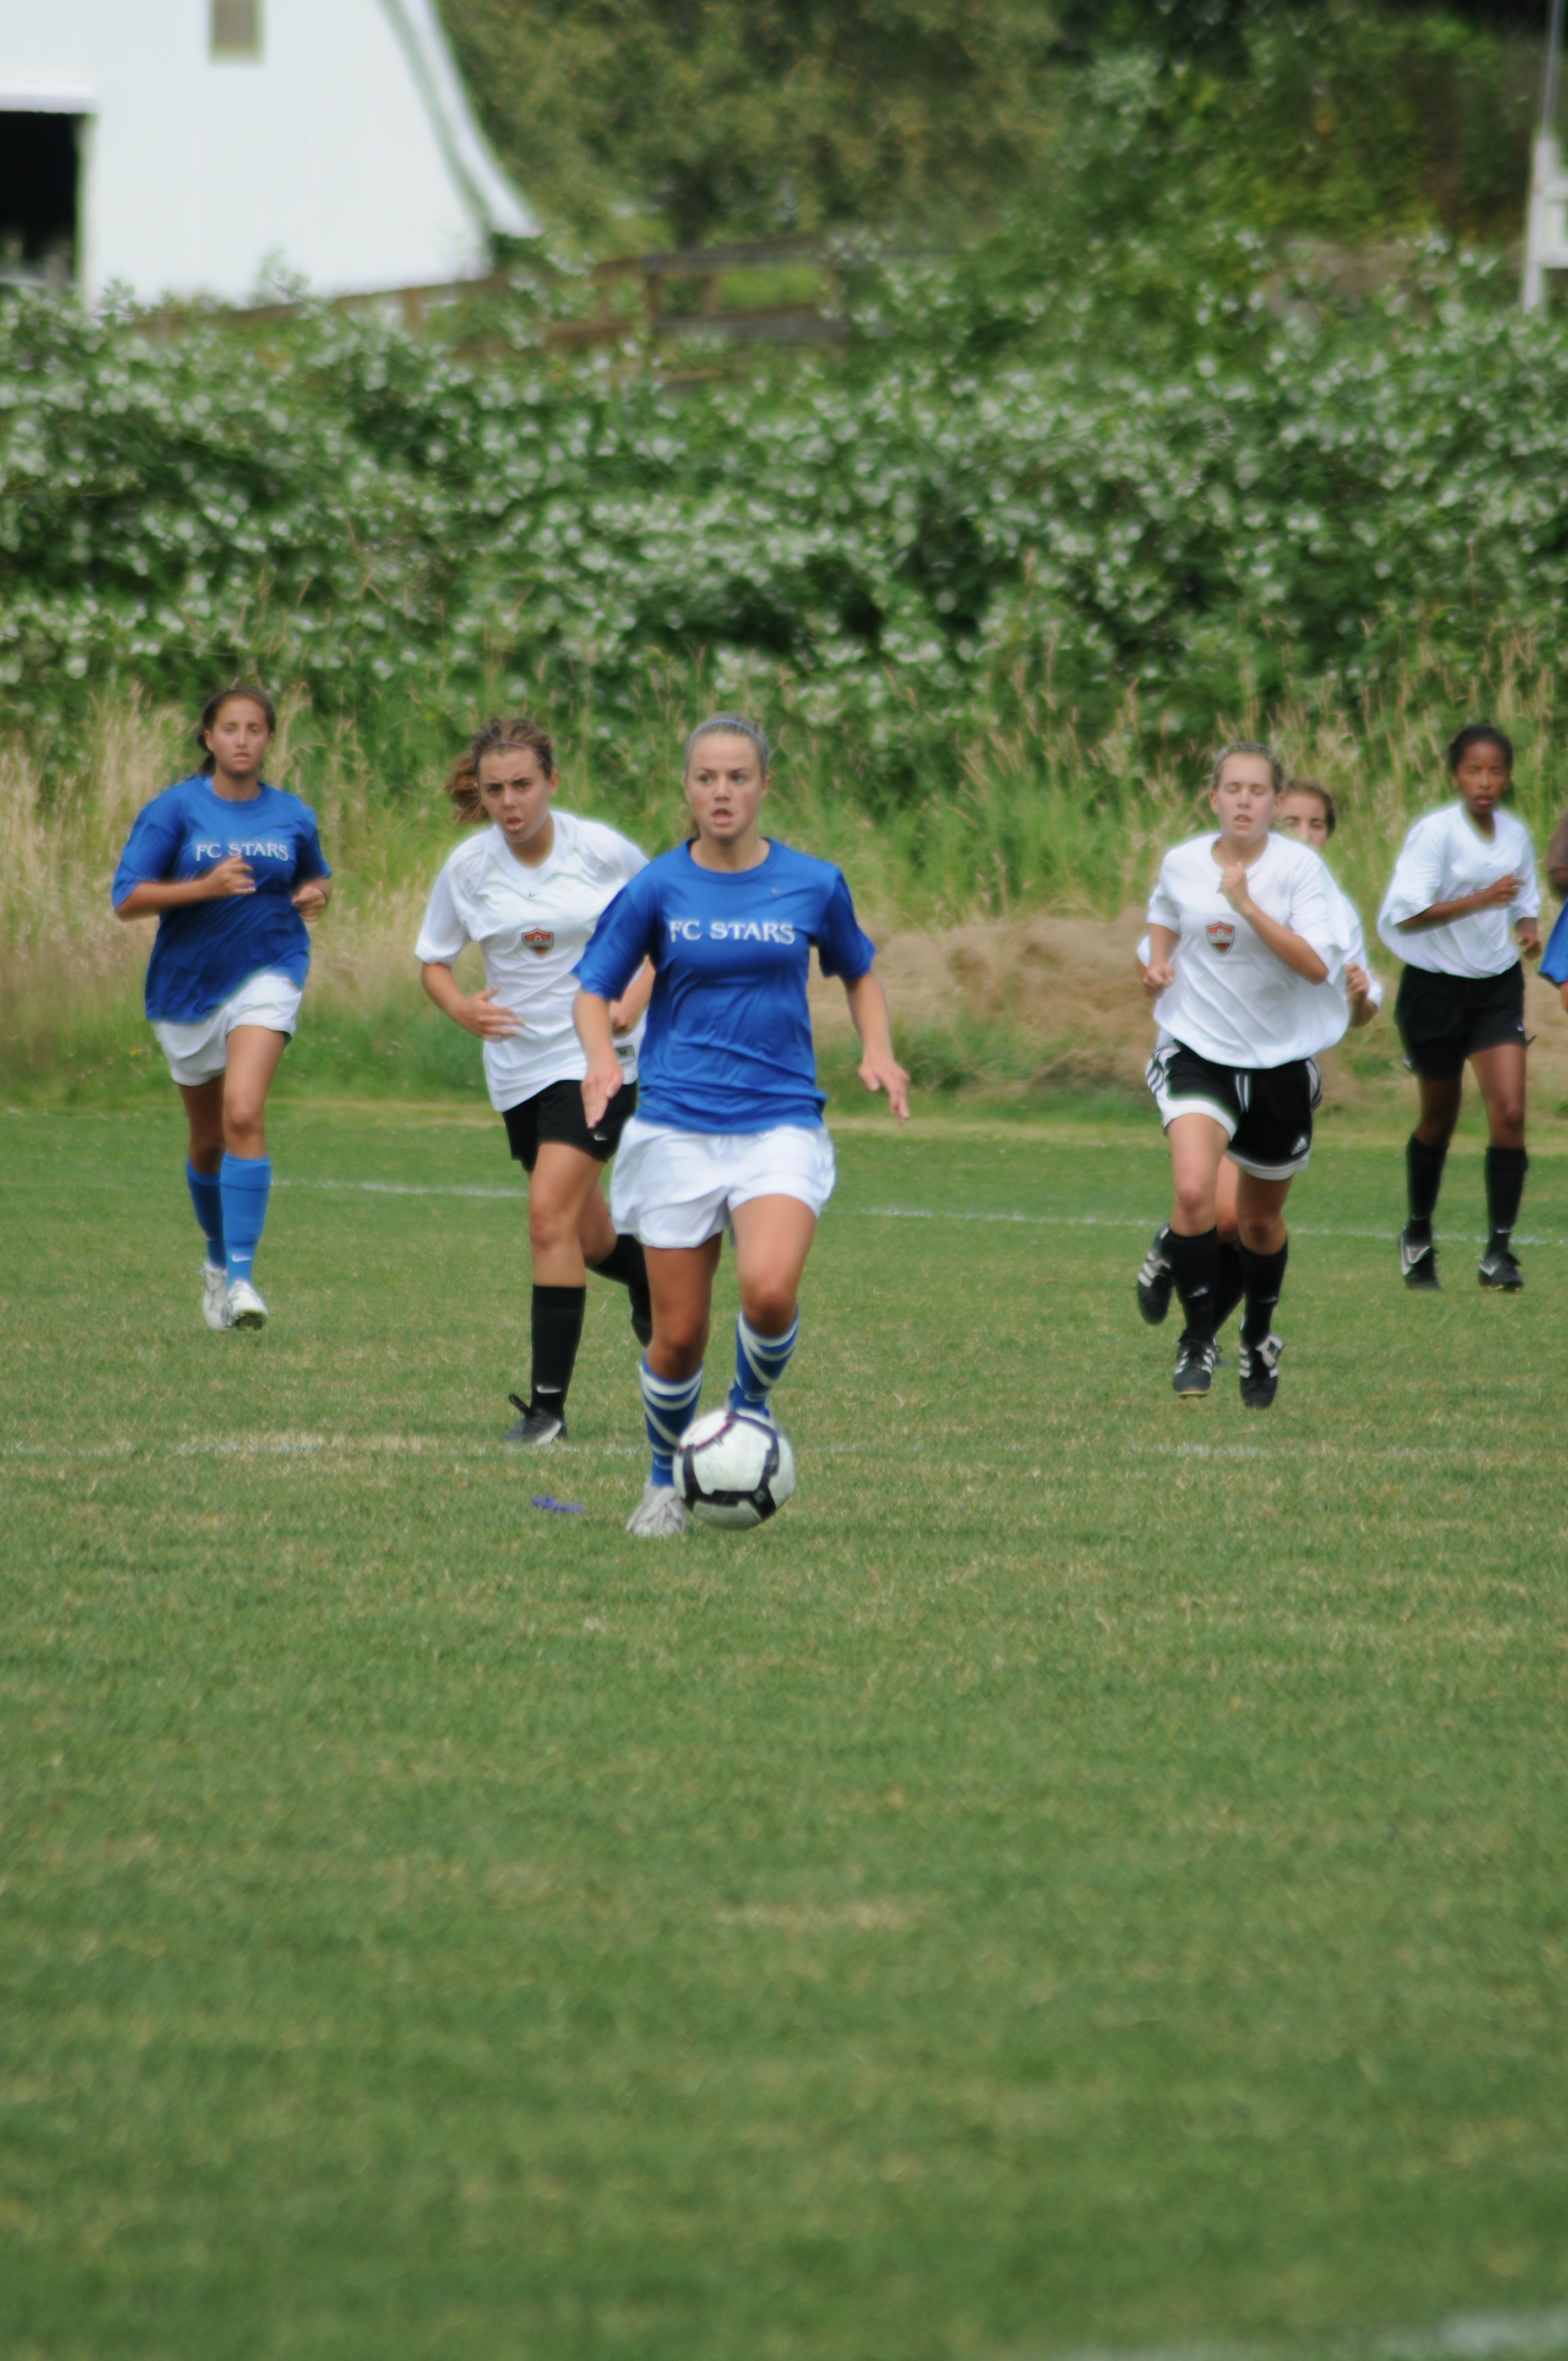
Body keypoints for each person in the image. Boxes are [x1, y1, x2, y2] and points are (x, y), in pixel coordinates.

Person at [572, 712, 910, 1537]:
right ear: (687, 788)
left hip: (779, 1120)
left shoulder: (813, 883)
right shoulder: (657, 886)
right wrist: (601, 1058)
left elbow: (859, 972)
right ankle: (663, 1480)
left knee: (768, 1291)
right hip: (677, 1125)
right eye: (706, 778)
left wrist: (878, 1049)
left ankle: (746, 1408)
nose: (721, 792)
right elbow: (593, 989)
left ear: (763, 786)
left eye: (737, 777)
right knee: (678, 1337)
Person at [415, 717, 656, 1444]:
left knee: (546, 1215)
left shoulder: (602, 851)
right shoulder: (468, 867)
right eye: (495, 790)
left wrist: (631, 999)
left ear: (551, 780)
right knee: (586, 1236)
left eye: (523, 785)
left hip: (599, 1060)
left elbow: (666, 929)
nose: (510, 802)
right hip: (519, 1070)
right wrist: (461, 1007)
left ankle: (547, 1411)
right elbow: (434, 960)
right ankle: (652, 1279)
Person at [112, 683, 330, 1332]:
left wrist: (317, 894)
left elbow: (314, 875)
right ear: (208, 738)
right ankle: (214, 1260)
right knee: (208, 1142)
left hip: (270, 969)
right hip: (186, 987)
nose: (242, 739)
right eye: (229, 728)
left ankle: (241, 1280)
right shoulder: (174, 809)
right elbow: (127, 898)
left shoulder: (292, 813)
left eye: (254, 729)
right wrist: (203, 887)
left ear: (269, 739)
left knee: (243, 1112)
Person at [1134, 774, 1381, 1338]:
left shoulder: (1329, 906)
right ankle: (1189, 1305)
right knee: (1221, 1212)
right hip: (1210, 1062)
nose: (1303, 834)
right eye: (1292, 822)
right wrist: (1157, 971)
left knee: (1253, 1221)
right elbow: (1153, 947)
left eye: (1316, 825)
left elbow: (1361, 1009)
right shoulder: (1211, 877)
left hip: (1279, 1072)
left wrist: (1359, 998)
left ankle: (1196, 1317)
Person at [1378, 723, 1540, 1292]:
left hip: (1496, 986)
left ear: (1507, 776)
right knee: (1439, 1120)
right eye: (1474, 770)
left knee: (1510, 1112)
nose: (1485, 781)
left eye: (1495, 770)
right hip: (1435, 990)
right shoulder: (1435, 834)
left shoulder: (1515, 834)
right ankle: (1418, 1233)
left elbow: (1523, 897)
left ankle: (1499, 1251)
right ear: (1455, 775)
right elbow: (1406, 914)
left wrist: (1526, 927)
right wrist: (1480, 899)